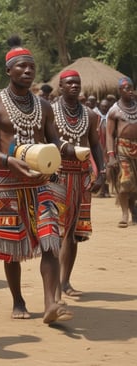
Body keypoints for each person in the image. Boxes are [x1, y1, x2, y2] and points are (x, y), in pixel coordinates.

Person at [0, 37, 73, 324]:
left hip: (40, 183)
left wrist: (58, 163)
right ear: (8, 71)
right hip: (7, 182)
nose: (28, 71)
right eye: (21, 66)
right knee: (11, 248)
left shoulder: (44, 106)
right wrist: (6, 160)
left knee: (50, 241)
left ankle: (50, 303)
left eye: (31, 66)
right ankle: (18, 299)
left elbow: (54, 141)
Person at [51, 70, 104, 298]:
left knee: (72, 233)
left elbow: (95, 145)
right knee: (54, 231)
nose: (74, 86)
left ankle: (65, 281)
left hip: (81, 178)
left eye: (77, 83)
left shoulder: (90, 115)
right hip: (56, 176)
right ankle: (52, 283)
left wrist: (100, 172)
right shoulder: (50, 112)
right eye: (69, 83)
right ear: (60, 86)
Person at [106, 76, 137, 227]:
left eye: (131, 87)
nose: (130, 91)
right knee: (125, 182)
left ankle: (133, 210)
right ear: (120, 91)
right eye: (126, 88)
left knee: (135, 185)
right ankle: (125, 214)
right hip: (123, 150)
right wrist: (111, 155)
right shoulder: (114, 111)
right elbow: (109, 135)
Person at [95, 98, 111, 197]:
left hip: (108, 147)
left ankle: (107, 190)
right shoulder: (95, 117)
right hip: (98, 146)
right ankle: (101, 190)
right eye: (103, 106)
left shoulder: (110, 117)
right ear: (99, 106)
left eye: (106, 106)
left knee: (108, 168)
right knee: (100, 168)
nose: (104, 108)